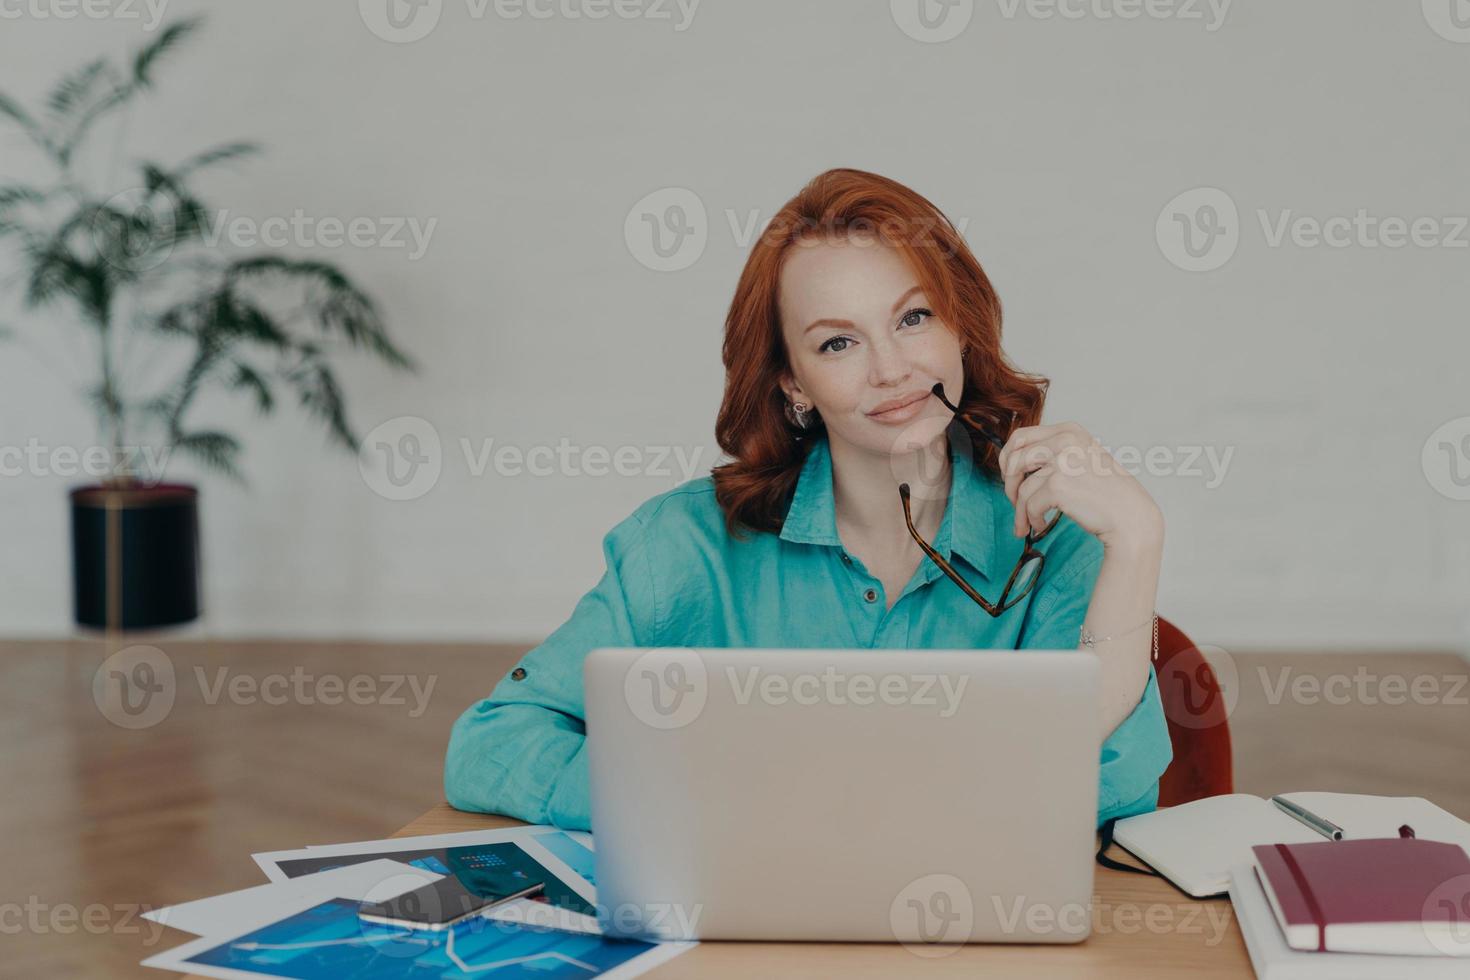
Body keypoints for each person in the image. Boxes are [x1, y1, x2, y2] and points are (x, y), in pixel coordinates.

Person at [445, 168, 1172, 831]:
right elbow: (494, 743)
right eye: (837, 344)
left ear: (961, 327)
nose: (891, 370)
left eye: (913, 319)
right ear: (792, 382)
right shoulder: (681, 545)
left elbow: (1112, 780)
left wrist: (1138, 539)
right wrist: (708, 802)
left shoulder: (1058, 538)